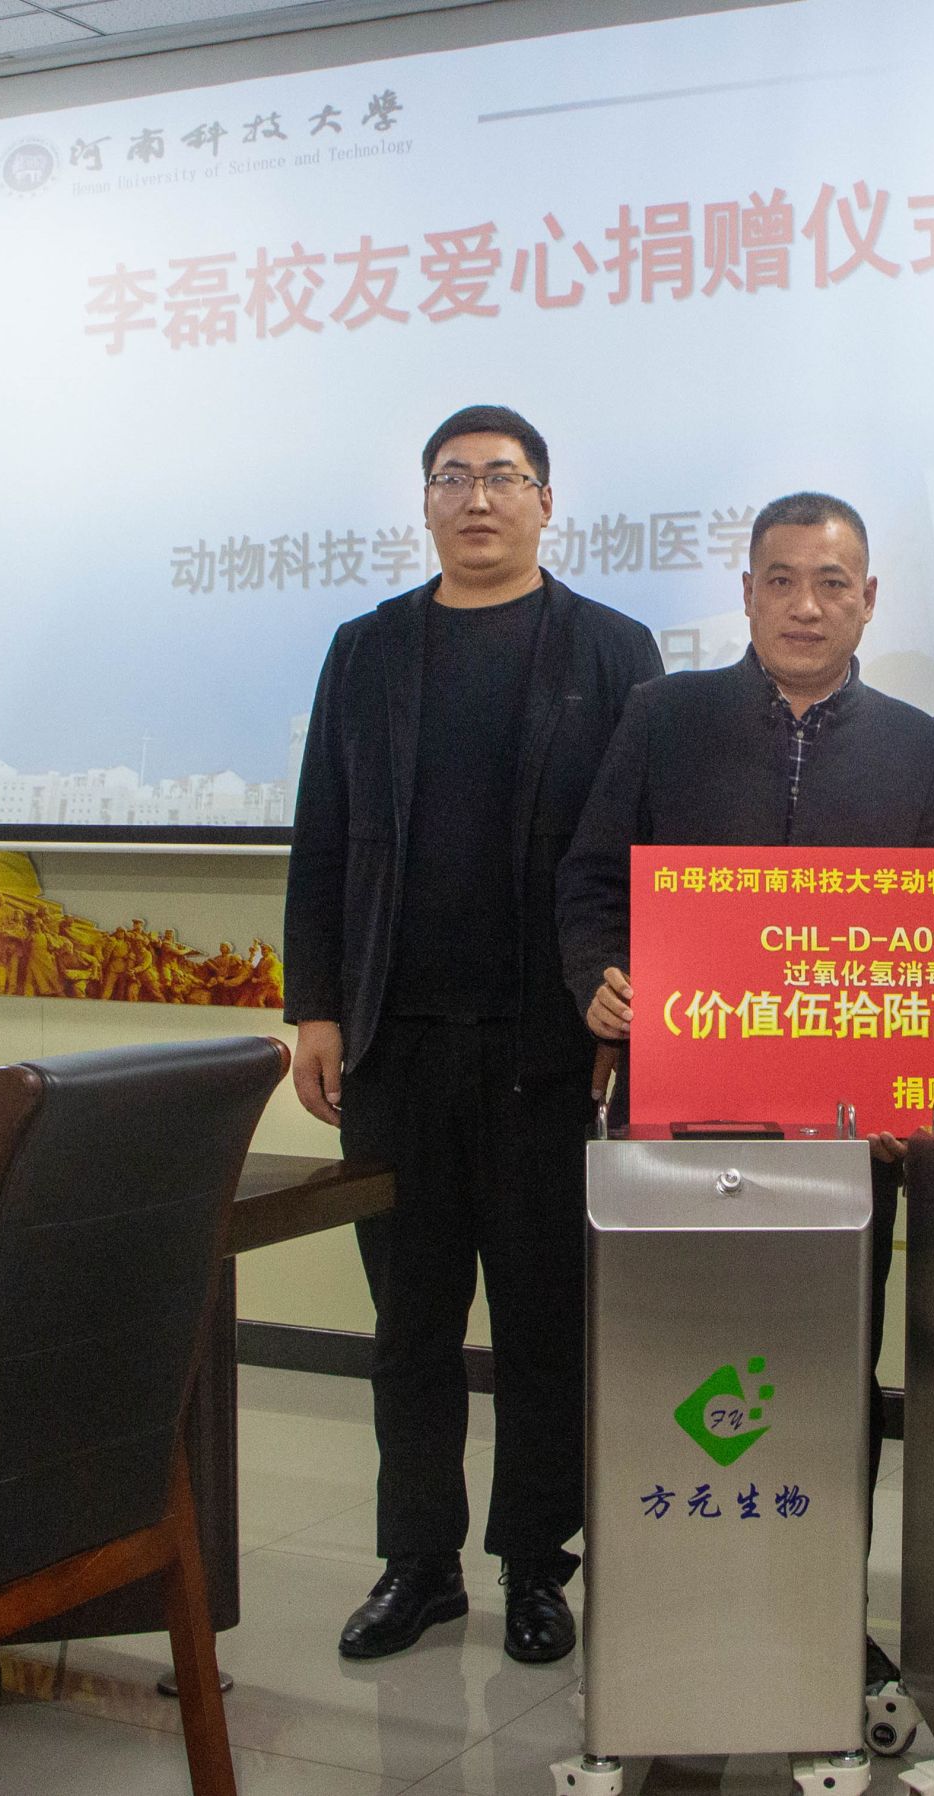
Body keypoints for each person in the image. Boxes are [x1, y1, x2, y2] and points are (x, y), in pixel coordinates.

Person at [555, 488, 934, 1695]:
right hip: (683, 1118)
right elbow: (590, 879)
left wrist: (907, 1085)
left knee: (832, 1371)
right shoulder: (662, 716)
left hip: (847, 1140)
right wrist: (597, 976)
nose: (804, 604)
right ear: (743, 592)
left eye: (831, 583)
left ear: (867, 599)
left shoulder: (923, 749)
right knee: (676, 1363)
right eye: (780, 579)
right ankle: (673, 1605)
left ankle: (824, 1609)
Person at [283, 404, 663, 1666]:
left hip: (547, 1049)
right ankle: (419, 1561)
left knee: (545, 1321)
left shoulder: (611, 648)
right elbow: (323, 834)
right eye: (453, 477)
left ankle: (535, 1562)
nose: (478, 498)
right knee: (410, 1323)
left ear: (546, 501)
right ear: (426, 501)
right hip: (395, 1046)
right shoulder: (367, 649)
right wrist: (316, 1006)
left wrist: (624, 1007)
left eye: (503, 476)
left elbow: (638, 849)